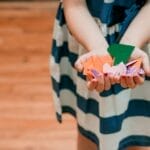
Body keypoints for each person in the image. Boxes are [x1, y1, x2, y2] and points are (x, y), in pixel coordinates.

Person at [50, 0, 150, 149]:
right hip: (87, 37)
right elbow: (74, 5)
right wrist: (99, 49)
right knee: (89, 127)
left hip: (142, 35)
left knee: (135, 128)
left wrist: (126, 47)